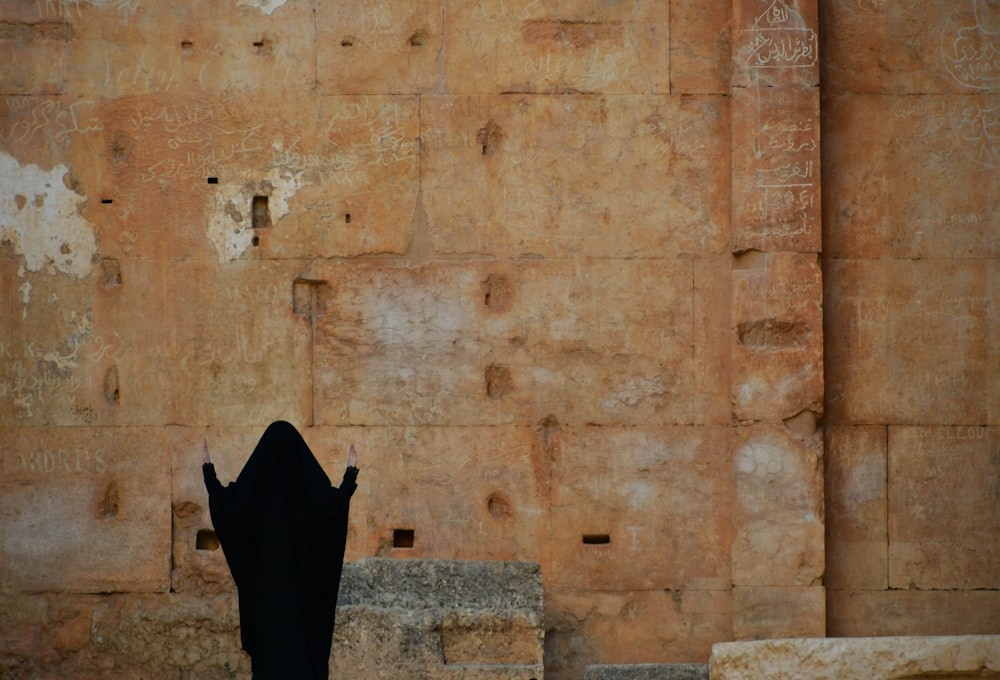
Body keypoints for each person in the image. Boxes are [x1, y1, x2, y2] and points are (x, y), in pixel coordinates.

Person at [202, 420, 359, 680]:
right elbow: (331, 511)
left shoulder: (255, 491)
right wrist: (349, 476)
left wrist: (209, 472)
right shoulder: (308, 492)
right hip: (303, 606)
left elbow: (229, 509)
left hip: (267, 607)